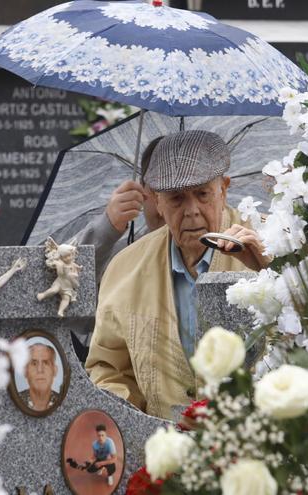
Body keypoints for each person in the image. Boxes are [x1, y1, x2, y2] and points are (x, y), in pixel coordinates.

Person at [85, 130, 270, 420]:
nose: (192, 211)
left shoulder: (271, 244)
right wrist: (141, 430)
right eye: (176, 199)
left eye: (202, 194)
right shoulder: (125, 269)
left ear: (224, 188)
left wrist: (271, 268)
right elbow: (108, 368)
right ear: (155, 201)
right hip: (163, 451)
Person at [76, 137, 165, 283]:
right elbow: (67, 286)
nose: (165, 206)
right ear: (141, 190)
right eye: (159, 189)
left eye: (199, 193)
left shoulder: (215, 254)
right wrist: (107, 228)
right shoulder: (124, 258)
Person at [18, 343, 58, 412]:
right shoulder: (17, 400)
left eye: (46, 363)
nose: (40, 370)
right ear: (25, 371)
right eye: (34, 363)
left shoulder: (63, 400)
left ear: (54, 370)